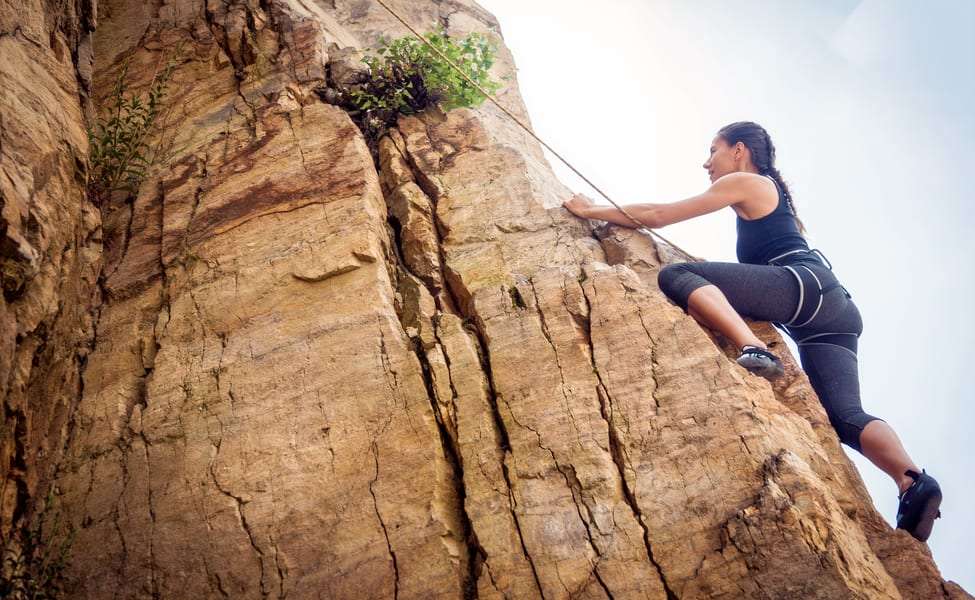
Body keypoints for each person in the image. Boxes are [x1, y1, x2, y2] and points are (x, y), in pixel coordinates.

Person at [561, 121, 942, 543]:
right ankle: (913, 482)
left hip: (802, 287)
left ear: (738, 150)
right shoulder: (768, 197)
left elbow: (658, 216)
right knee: (845, 417)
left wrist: (589, 210)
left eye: (713, 150)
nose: (706, 162)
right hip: (831, 311)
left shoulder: (748, 181)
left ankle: (754, 348)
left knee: (678, 274)